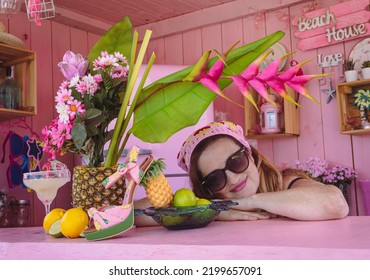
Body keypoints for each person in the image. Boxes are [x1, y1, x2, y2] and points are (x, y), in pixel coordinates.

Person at [176, 121, 349, 221]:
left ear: (251, 155)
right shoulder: (205, 208)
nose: (233, 179)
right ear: (207, 189)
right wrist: (216, 213)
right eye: (215, 178)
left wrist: (252, 202)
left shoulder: (285, 182)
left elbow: (336, 204)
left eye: (236, 161)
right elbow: (149, 211)